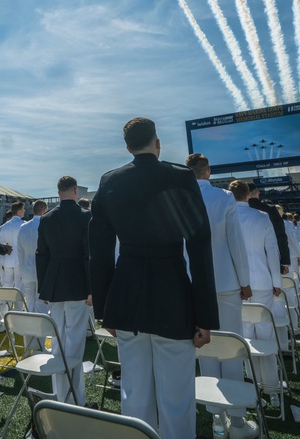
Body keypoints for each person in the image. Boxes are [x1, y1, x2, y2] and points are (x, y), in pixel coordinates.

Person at [90, 117, 218, 439]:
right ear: (157, 143)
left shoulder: (109, 181)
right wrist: (205, 315)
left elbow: (100, 251)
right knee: (176, 399)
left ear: (127, 147)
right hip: (171, 293)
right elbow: (199, 246)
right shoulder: (180, 176)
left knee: (135, 394)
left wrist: (104, 308)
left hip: (126, 295)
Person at [186, 154, 253, 437]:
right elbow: (235, 241)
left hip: (192, 281)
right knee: (231, 347)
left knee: (205, 346)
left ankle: (215, 415)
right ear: (209, 171)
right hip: (225, 279)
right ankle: (236, 419)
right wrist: (245, 280)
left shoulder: (180, 198)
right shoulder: (224, 197)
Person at [37, 176, 91, 406]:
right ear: (75, 191)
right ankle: (75, 398)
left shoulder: (47, 218)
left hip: (55, 282)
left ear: (58, 192)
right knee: (75, 341)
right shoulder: (85, 216)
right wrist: (92, 287)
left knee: (58, 340)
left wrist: (44, 288)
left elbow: (42, 255)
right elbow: (89, 254)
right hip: (78, 281)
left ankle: (61, 396)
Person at [229, 180, 284, 388]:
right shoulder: (261, 216)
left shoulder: (228, 216)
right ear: (248, 195)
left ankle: (251, 381)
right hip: (262, 280)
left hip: (237, 283)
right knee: (265, 332)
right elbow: (272, 250)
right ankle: (270, 383)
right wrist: (276, 281)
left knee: (245, 333)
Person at [16, 200, 47, 314]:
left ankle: (30, 329)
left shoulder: (23, 227)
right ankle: (39, 330)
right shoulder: (46, 225)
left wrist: (21, 268)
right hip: (42, 270)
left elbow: (20, 252)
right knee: (41, 302)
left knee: (29, 301)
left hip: (26, 269)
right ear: (44, 210)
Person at [0, 202, 23, 288]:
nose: (24, 211)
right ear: (19, 211)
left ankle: (5, 301)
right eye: (23, 209)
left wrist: (1, 261)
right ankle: (17, 301)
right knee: (19, 285)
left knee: (7, 284)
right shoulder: (24, 224)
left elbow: (2, 244)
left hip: (7, 259)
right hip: (19, 259)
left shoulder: (4, 227)